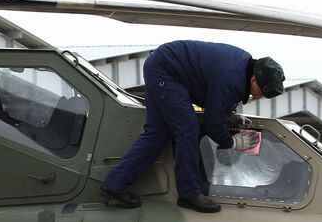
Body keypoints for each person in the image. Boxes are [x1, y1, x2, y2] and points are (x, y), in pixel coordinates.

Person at [102, 40, 285, 213]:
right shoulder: (233, 78)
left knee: (157, 134)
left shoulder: (242, 66)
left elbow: (215, 97)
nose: (260, 97)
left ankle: (115, 184)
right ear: (254, 79)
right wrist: (232, 142)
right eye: (262, 92)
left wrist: (230, 117)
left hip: (162, 65)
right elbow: (213, 124)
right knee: (188, 129)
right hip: (166, 72)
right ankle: (189, 194)